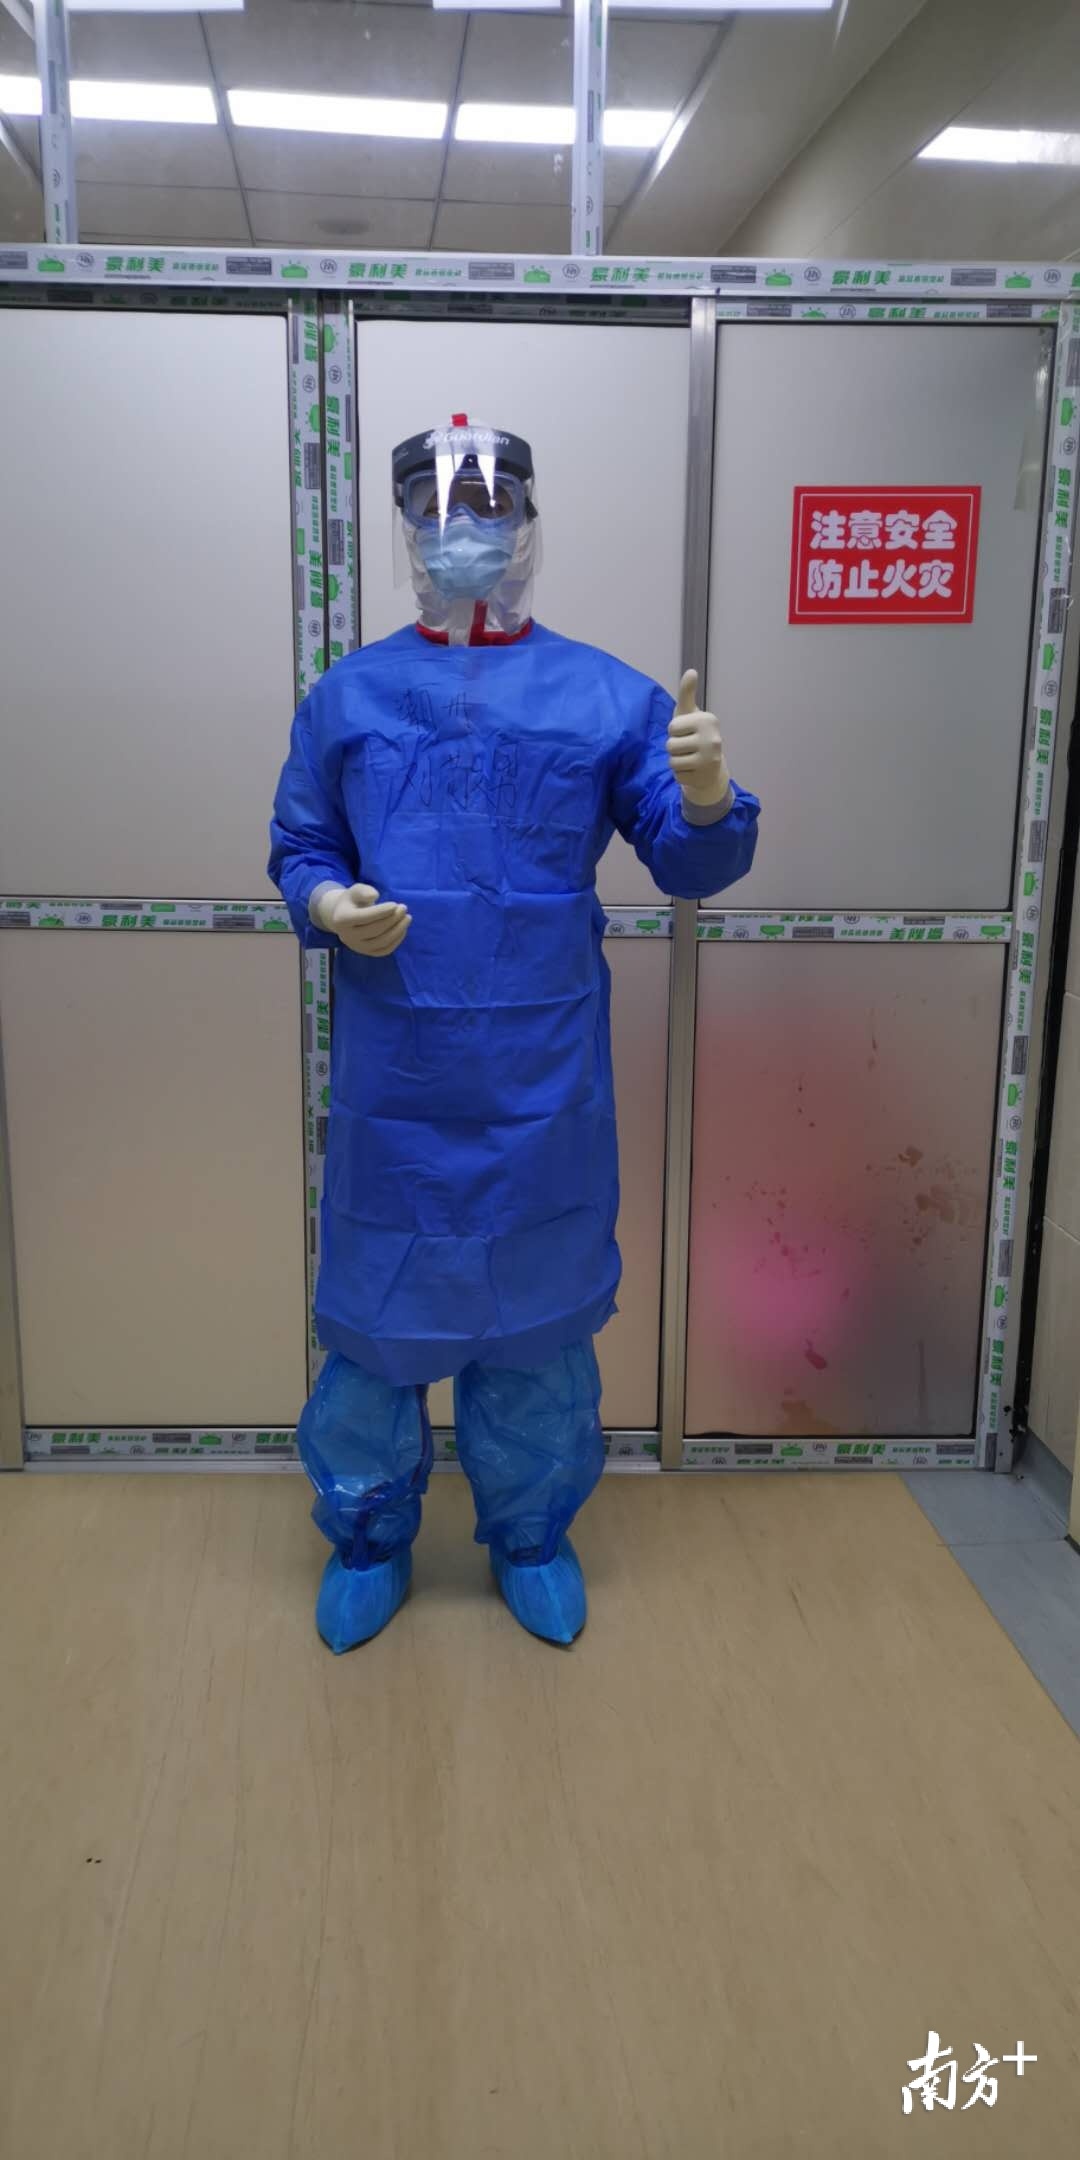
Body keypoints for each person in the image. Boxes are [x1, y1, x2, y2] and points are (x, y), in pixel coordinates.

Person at [269, 416, 760, 1652]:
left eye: (488, 509)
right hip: (398, 1082)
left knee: (535, 1328)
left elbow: (689, 861)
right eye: (437, 511)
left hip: (541, 1085)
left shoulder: (603, 695)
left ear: (528, 524)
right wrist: (326, 904)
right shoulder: (349, 696)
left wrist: (707, 796)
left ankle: (533, 1531)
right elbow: (303, 841)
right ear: (404, 528)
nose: (463, 533)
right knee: (380, 1322)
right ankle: (371, 1535)